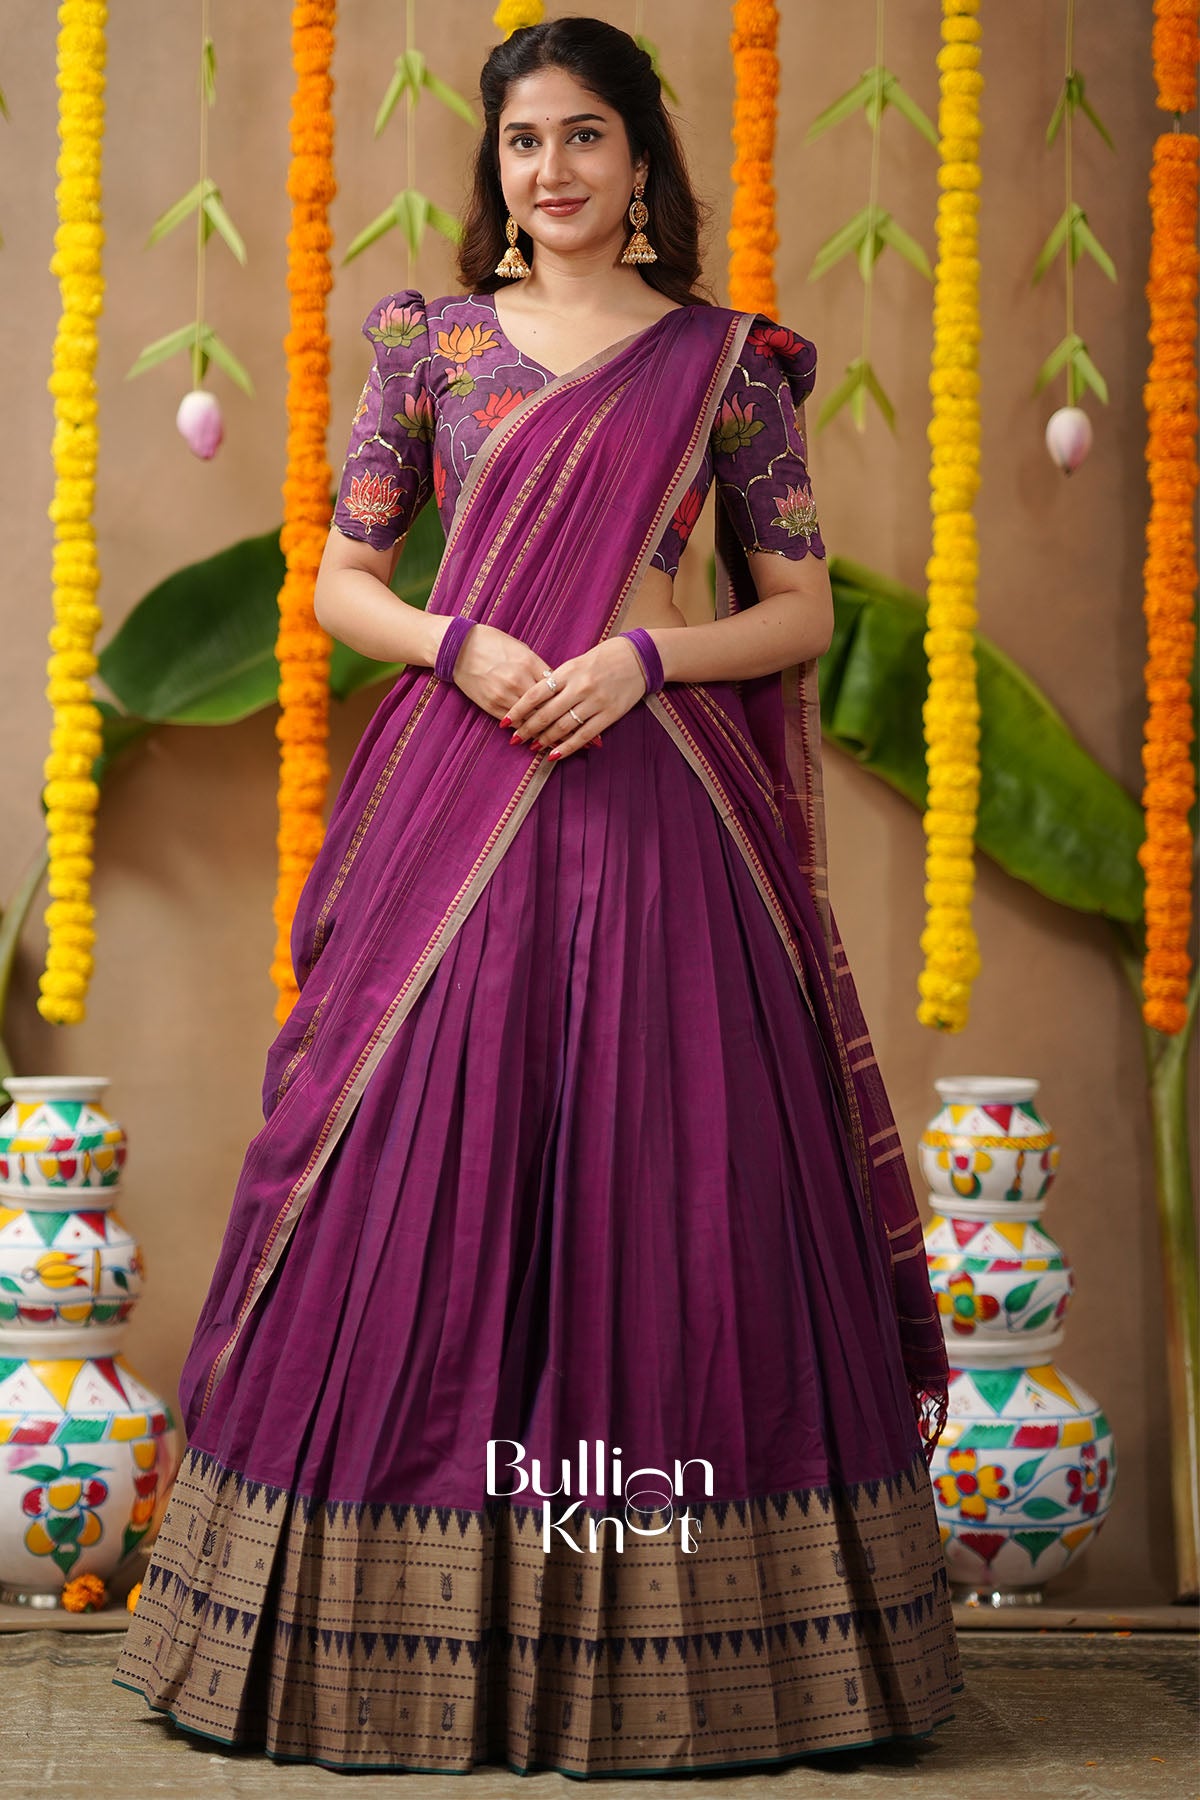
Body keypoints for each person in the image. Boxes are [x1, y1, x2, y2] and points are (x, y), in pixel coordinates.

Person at [114, 16, 961, 1779]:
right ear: (494, 169)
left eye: (587, 137)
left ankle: (709, 1655)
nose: (553, 172)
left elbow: (799, 607)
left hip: (659, 828)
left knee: (674, 1193)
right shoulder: (433, 348)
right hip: (461, 802)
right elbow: (343, 575)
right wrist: (460, 641)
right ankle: (385, 1654)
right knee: (416, 1181)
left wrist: (651, 655)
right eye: (523, 144)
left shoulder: (729, 366)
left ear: (643, 161)